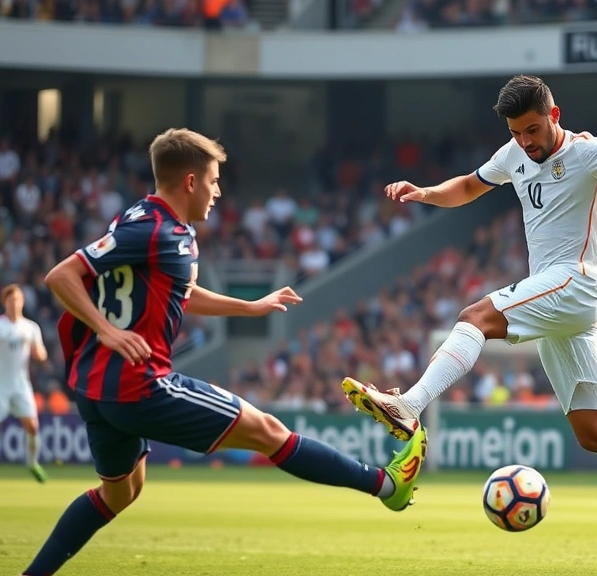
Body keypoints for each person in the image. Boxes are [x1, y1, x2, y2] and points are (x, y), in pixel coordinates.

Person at [22, 128, 427, 576]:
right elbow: (61, 275)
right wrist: (107, 332)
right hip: (139, 385)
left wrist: (249, 308)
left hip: (96, 389)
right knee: (269, 430)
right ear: (191, 182)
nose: (218, 192)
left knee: (120, 493)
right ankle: (387, 485)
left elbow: (182, 292)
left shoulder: (140, 217)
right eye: (214, 181)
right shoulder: (160, 230)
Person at [341, 74, 597, 537]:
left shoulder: (587, 152)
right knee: (594, 434)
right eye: (515, 132)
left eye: (532, 130)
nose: (524, 141)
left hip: (575, 282)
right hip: (557, 299)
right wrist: (425, 193)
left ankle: (409, 404)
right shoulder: (514, 153)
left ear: (554, 116)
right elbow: (470, 187)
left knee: (475, 317)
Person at [0, 284, 49, 487]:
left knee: (32, 426)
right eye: (11, 300)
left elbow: (41, 353)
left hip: (21, 384)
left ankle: (32, 462)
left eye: (18, 299)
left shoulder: (30, 327)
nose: (15, 303)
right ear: (5, 302)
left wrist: (40, 355)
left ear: (23, 302)